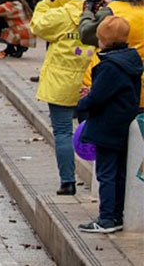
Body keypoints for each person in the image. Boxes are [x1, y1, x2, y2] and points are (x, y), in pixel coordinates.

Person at [30, 0, 97, 196]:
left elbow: (37, 25)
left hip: (61, 81)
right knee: (96, 130)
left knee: (63, 132)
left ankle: (68, 181)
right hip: (92, 80)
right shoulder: (102, 12)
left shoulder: (63, 13)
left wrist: (48, 2)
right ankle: (99, 182)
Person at [76, 16, 142, 234]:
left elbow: (97, 98)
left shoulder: (109, 66)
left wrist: (81, 104)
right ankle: (117, 215)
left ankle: (106, 218)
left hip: (107, 127)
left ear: (104, 40)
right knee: (119, 173)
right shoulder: (130, 60)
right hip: (122, 124)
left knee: (106, 174)